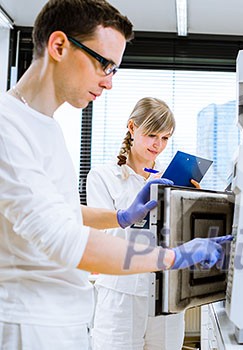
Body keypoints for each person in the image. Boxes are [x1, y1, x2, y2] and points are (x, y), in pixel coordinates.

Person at [0, 1, 231, 349]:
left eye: (115, 70)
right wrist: (176, 256)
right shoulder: (7, 127)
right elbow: (62, 238)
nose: (108, 83)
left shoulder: (46, 128)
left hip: (66, 318)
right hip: (29, 324)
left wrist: (122, 217)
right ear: (59, 46)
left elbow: (61, 213)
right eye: (104, 64)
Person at [87, 97, 194, 349]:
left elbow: (180, 238)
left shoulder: (172, 179)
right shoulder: (103, 176)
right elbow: (100, 235)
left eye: (165, 138)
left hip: (166, 295)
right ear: (132, 128)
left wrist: (193, 204)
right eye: (152, 135)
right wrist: (132, 209)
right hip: (120, 294)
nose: (158, 144)